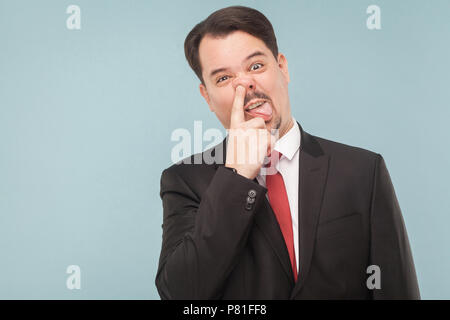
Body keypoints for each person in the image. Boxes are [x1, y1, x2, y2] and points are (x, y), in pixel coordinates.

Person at [155, 5, 420, 299]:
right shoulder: (184, 182)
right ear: (207, 96)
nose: (245, 84)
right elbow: (181, 293)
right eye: (223, 78)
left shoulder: (362, 171)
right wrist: (237, 175)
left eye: (256, 66)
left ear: (283, 67)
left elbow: (396, 288)